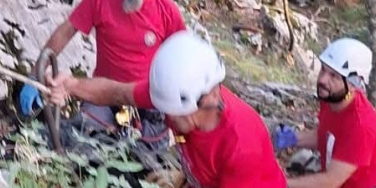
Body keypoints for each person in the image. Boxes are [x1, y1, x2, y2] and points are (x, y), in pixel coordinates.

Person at [50, 30, 287, 188]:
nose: (166, 117)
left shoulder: (242, 145)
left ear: (208, 100)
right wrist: (72, 86)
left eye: (173, 112)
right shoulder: (177, 93)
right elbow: (118, 92)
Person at [21, 0, 185, 153]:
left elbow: (184, 59)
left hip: (148, 100)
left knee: (148, 162)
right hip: (102, 94)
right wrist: (35, 75)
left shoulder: (167, 12)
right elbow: (66, 31)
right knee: (83, 143)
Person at [271, 38, 376, 188]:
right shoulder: (331, 98)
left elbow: (330, 182)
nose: (323, 80)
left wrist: (278, 183)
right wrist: (292, 139)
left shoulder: (361, 125)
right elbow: (326, 135)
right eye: (323, 70)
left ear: (353, 84)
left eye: (334, 76)